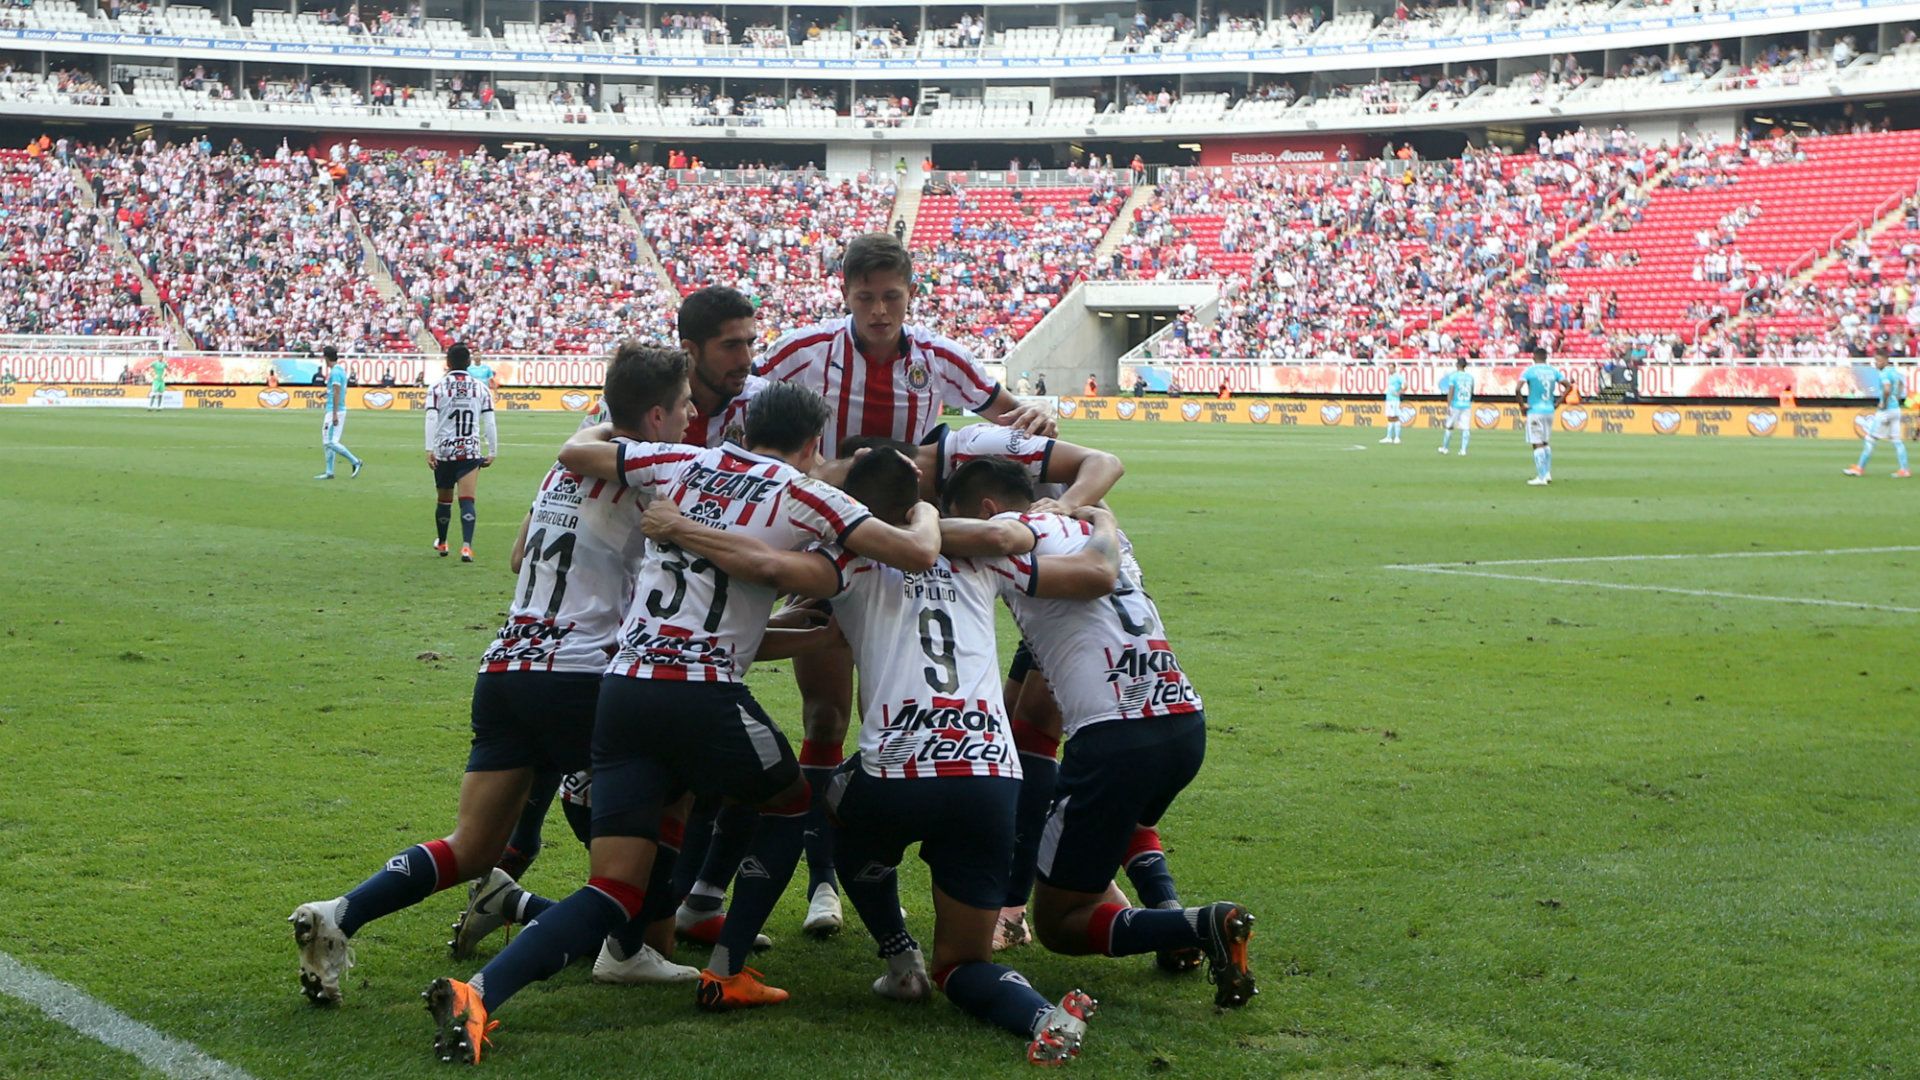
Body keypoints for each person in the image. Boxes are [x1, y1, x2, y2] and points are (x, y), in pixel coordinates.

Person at [420, 384, 946, 1065]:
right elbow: (916, 554)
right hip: (700, 692)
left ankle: (481, 993)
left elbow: (578, 449)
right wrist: (928, 512)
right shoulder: (805, 494)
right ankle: (728, 973)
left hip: (622, 689)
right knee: (788, 803)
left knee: (614, 886)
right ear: (814, 445)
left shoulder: (678, 462)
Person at [637, 446, 1122, 1065]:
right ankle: (1039, 1016)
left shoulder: (848, 561)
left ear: (854, 509)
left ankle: (899, 959)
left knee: (829, 805)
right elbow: (1094, 575)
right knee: (965, 963)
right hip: (991, 775)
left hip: (898, 772)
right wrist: (1103, 524)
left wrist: (684, 536)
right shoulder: (980, 556)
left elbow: (766, 574)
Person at [289, 344, 700, 1006]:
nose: (692, 414)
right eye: (684, 405)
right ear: (655, 416)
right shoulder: (653, 477)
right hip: (579, 673)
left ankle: (340, 914)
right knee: (684, 772)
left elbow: (516, 557)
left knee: (474, 845)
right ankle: (626, 948)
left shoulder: (559, 469)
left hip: (507, 664)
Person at [754, 233, 1056, 938]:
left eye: (892, 297)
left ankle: (875, 871)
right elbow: (747, 416)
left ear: (910, 295)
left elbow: (1007, 416)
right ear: (845, 297)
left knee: (883, 715)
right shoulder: (802, 353)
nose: (880, 311)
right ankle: (823, 883)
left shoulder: (940, 358)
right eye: (866, 298)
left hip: (915, 554)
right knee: (824, 717)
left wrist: (1035, 419)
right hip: (833, 548)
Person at [943, 459, 1256, 1011]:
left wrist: (894, 522)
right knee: (1125, 821)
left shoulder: (1016, 534)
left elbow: (994, 537)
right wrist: (1099, 517)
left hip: (1114, 737)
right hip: (1184, 722)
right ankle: (1172, 918)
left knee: (1063, 922)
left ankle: (1201, 924)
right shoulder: (1099, 529)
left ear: (987, 509)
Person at [426, 343, 499, 560]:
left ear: (447, 363)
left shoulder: (437, 388)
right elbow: (490, 422)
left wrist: (429, 448)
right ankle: (466, 546)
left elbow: (431, 418)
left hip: (445, 451)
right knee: (467, 499)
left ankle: (443, 543)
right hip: (469, 450)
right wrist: (493, 450)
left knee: (444, 500)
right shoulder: (481, 388)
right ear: (469, 362)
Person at [1843, 352, 1909, 477]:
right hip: (1896, 410)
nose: (1876, 363)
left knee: (1870, 438)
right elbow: (1901, 384)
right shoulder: (1894, 371)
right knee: (1896, 440)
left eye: (1878, 360)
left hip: (1885, 411)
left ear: (1885, 360)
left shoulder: (1883, 373)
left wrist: (1883, 403)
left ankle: (1859, 468)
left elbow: (1887, 389)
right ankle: (1904, 469)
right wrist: (1898, 398)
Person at [1518, 346, 1567, 486]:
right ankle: (1547, 473)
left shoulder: (1530, 371)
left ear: (1533, 357)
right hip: (1549, 409)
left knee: (1537, 442)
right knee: (1545, 441)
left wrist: (1522, 406)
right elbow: (1568, 386)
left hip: (1535, 410)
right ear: (1546, 358)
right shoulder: (1553, 371)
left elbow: (1517, 388)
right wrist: (1558, 402)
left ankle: (1541, 477)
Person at [314, 349, 364, 480]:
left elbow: (337, 392)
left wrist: (334, 413)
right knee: (328, 441)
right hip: (337, 409)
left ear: (326, 358)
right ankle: (329, 472)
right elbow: (336, 389)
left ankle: (355, 461)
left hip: (334, 410)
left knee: (330, 441)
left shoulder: (335, 372)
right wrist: (325, 393)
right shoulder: (340, 370)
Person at [1437, 358, 1474, 456]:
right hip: (1466, 404)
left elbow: (1451, 391)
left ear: (1457, 365)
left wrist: (1448, 405)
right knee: (1465, 428)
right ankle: (1463, 450)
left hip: (1456, 404)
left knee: (1449, 426)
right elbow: (1471, 391)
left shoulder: (1453, 376)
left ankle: (1445, 448)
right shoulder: (1470, 377)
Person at [1379, 362, 1405, 444]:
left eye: (1391, 368)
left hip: (1395, 400)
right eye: (1389, 368)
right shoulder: (1390, 377)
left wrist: (1400, 392)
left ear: (1394, 368)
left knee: (1396, 417)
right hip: (1389, 399)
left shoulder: (1398, 376)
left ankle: (1397, 437)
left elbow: (1405, 384)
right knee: (1390, 417)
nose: (1389, 369)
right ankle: (1389, 437)